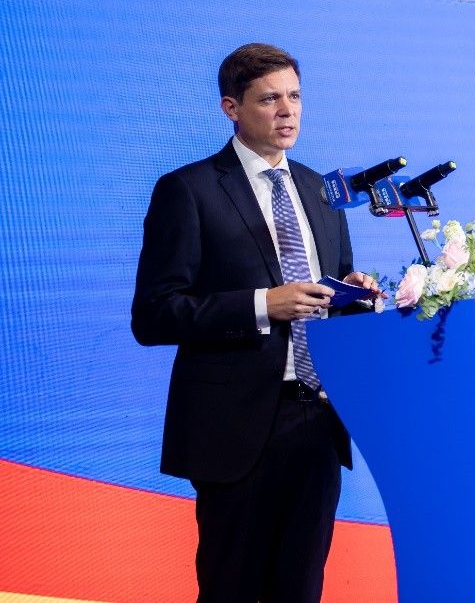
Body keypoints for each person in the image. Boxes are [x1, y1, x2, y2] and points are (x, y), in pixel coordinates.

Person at [132, 43, 381, 603]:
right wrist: (262, 304)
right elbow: (154, 314)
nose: (287, 111)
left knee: (301, 589)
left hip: (317, 422)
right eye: (270, 99)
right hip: (235, 427)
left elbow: (328, 291)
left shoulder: (321, 191)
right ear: (232, 107)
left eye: (295, 96)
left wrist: (354, 293)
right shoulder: (189, 190)